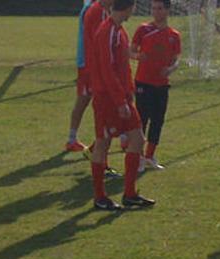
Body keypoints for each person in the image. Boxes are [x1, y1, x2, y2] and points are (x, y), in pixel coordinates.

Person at [89, 0, 154, 210]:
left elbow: (121, 65)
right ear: (129, 7)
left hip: (120, 97)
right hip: (108, 98)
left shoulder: (118, 30)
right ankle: (101, 197)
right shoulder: (108, 31)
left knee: (136, 138)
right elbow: (107, 69)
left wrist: (128, 93)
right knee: (103, 143)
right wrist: (119, 101)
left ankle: (130, 193)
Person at [130, 0, 181, 172]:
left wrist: (171, 69)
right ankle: (138, 158)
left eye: (160, 8)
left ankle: (150, 156)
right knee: (141, 119)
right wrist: (138, 57)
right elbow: (130, 51)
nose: (156, 11)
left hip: (162, 84)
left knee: (158, 120)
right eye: (153, 8)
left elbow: (176, 59)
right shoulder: (143, 29)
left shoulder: (174, 35)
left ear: (167, 10)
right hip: (143, 82)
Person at [65, 0, 102, 153]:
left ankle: (73, 139)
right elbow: (93, 38)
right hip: (88, 63)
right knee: (87, 99)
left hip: (90, 62)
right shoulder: (92, 9)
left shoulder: (94, 6)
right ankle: (73, 139)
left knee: (89, 100)